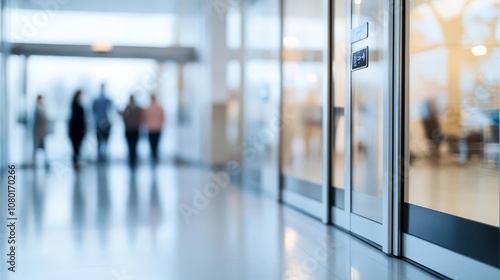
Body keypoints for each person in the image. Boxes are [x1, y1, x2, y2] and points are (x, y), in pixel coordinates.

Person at [92, 83, 113, 162]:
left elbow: (93, 112)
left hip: (98, 123)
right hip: (106, 123)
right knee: (105, 142)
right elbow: (111, 111)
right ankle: (103, 157)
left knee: (99, 142)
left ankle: (99, 157)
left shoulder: (96, 100)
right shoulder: (108, 100)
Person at [142, 95, 165, 164]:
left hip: (150, 128)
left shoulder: (148, 108)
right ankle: (155, 157)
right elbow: (163, 118)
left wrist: (146, 125)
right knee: (156, 144)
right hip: (158, 128)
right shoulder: (159, 107)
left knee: (152, 144)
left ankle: (153, 156)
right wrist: (161, 125)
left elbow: (144, 118)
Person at [121, 95, 142, 167]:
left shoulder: (127, 108)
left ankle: (131, 160)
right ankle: (133, 160)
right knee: (134, 146)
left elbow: (123, 118)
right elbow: (140, 118)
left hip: (129, 130)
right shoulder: (138, 109)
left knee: (130, 146)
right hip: (135, 130)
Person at [69, 90, 86, 169]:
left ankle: (76, 163)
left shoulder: (76, 105)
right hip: (76, 130)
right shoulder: (75, 106)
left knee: (77, 148)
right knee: (76, 148)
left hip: (78, 130)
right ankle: (75, 163)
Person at [33, 95, 49, 167]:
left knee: (44, 147)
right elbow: (41, 118)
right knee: (36, 147)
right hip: (38, 131)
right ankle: (34, 162)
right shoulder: (37, 108)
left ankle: (45, 162)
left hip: (42, 131)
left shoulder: (42, 107)